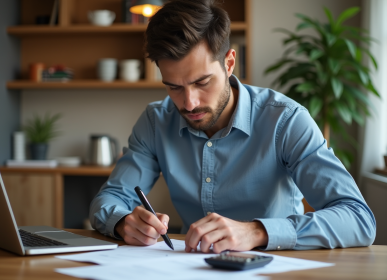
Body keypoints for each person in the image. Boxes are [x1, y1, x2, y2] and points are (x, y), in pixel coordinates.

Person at [90, 0, 376, 253]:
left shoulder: (286, 120)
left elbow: (358, 219)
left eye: (202, 82)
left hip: (276, 267)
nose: (189, 103)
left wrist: (256, 232)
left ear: (229, 63)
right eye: (174, 87)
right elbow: (110, 199)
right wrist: (123, 223)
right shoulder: (156, 121)